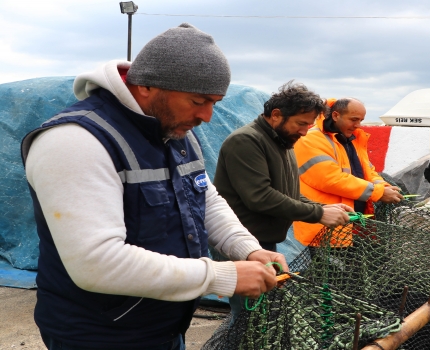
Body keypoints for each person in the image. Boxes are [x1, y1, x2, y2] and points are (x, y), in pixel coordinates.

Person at [21, 23, 285, 350]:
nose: (207, 116)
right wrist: (222, 276)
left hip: (164, 325)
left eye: (215, 102)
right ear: (147, 86)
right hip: (100, 334)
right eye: (198, 100)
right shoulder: (75, 141)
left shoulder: (175, 132)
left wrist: (248, 248)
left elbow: (206, 200)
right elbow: (96, 263)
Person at [213, 81, 351, 321]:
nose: (305, 131)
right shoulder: (246, 141)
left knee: (263, 315)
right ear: (276, 115)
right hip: (241, 244)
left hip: (265, 244)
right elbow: (260, 197)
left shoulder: (284, 142)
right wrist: (318, 215)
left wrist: (322, 207)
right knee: (247, 317)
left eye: (309, 125)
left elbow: (290, 193)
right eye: (301, 123)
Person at [292, 98, 404, 246]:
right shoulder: (310, 139)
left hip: (351, 225)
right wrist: (378, 193)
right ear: (336, 115)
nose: (358, 125)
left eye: (361, 120)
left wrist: (384, 186)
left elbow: (367, 171)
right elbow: (331, 179)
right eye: (354, 119)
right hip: (324, 229)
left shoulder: (352, 139)